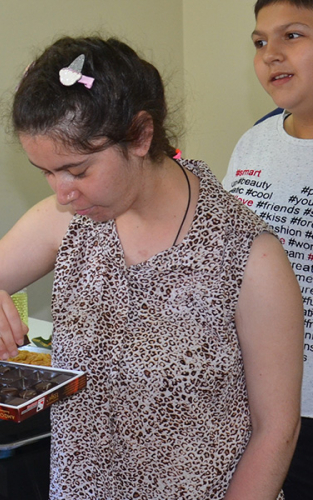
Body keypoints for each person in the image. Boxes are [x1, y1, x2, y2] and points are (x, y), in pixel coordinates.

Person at [0, 36, 303, 499]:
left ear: (140, 135)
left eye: (78, 170)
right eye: (46, 172)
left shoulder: (248, 254)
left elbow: (276, 431)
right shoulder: (66, 223)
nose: (62, 193)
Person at [223, 1, 313, 497]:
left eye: (293, 36)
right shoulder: (254, 143)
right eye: (260, 43)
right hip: (261, 406)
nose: (271, 55)